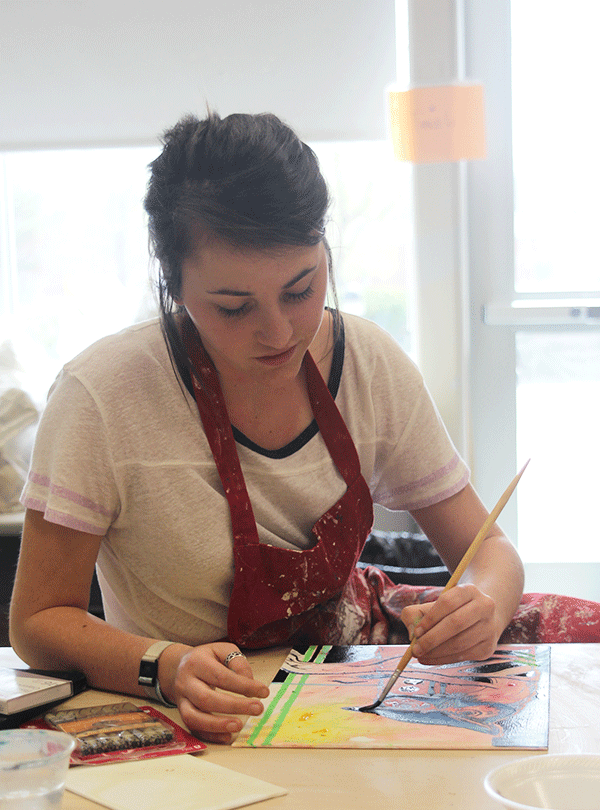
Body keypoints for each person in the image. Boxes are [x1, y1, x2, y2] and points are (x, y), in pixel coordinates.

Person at [9, 110, 525, 744]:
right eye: (234, 306)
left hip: (346, 671)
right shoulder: (104, 396)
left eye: (301, 288)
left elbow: (490, 551)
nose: (279, 332)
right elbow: (36, 620)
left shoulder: (370, 365)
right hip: (206, 712)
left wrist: (484, 603)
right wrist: (165, 666)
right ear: (174, 285)